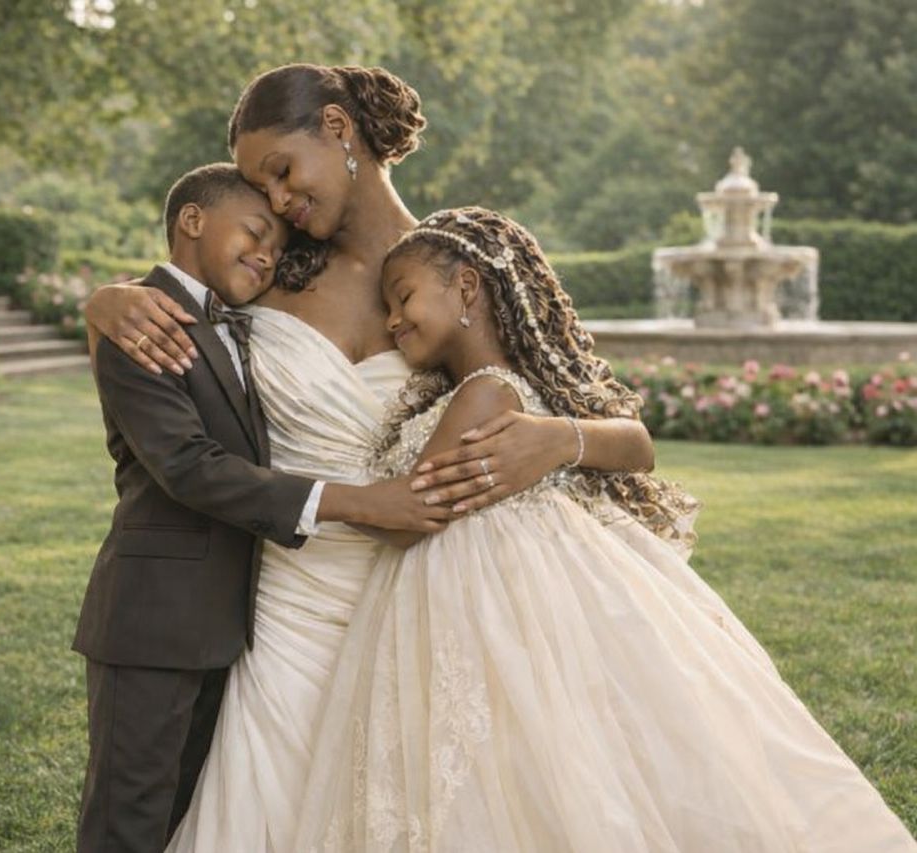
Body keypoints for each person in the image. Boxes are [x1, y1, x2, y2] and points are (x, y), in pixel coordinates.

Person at [83, 66, 657, 851]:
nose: (277, 203)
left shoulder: (457, 267)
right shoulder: (269, 274)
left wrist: (561, 438)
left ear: (338, 129)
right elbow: (186, 320)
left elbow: (628, 436)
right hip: (285, 602)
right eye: (261, 190)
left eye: (282, 173)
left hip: (422, 594)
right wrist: (108, 300)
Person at [291, 206, 917, 852]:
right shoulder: (487, 388)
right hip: (487, 587)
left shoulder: (484, 393)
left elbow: (412, 512)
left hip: (485, 589)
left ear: (468, 288)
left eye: (404, 299)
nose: (394, 321)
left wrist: (324, 501)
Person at [72, 162, 450, 853]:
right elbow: (189, 466)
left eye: (276, 245)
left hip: (229, 618)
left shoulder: (235, 319)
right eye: (253, 231)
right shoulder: (140, 323)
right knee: (127, 818)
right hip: (151, 619)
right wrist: (359, 503)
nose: (266, 253)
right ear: (192, 221)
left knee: (181, 810)